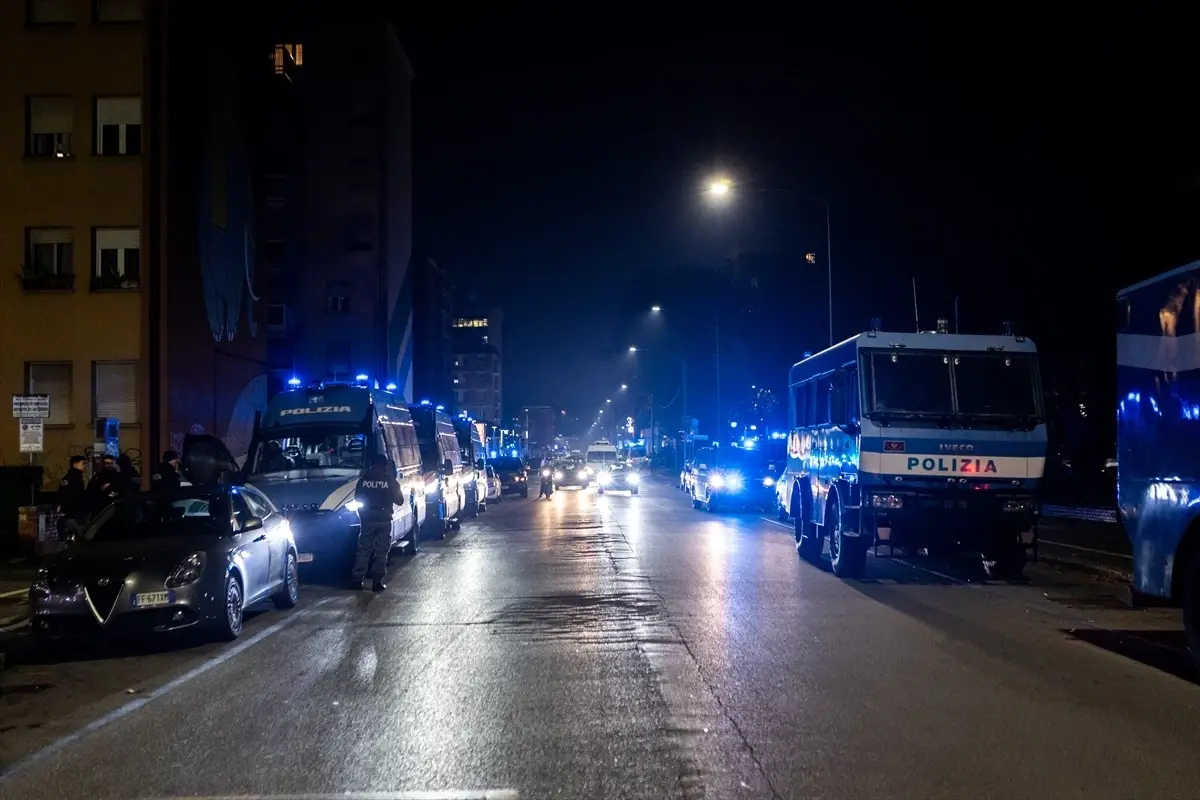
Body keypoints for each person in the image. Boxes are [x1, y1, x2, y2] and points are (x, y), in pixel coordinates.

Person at [350, 453, 403, 592]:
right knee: (381, 551)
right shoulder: (389, 480)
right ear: (385, 465)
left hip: (367, 518)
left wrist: (363, 514)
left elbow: (357, 499)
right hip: (384, 518)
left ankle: (357, 580)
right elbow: (400, 501)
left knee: (363, 550)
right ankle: (377, 582)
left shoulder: (364, 479)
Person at [56, 455, 89, 541]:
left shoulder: (76, 477)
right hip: (74, 515)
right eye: (83, 463)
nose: (85, 466)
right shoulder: (71, 478)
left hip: (74, 513)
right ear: (75, 464)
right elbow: (65, 495)